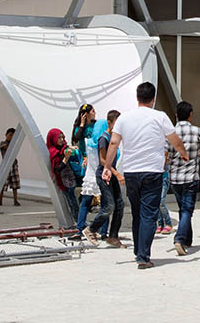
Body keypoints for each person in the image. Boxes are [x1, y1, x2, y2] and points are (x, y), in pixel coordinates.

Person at [103, 82, 188, 269]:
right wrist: (183, 153)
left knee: (137, 213)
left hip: (131, 172)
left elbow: (114, 143)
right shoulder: (160, 117)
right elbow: (174, 140)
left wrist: (107, 167)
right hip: (152, 172)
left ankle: (139, 251)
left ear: (137, 97)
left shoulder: (124, 118)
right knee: (148, 214)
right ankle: (143, 256)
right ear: (153, 98)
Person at [168, 100, 200, 256]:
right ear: (190, 115)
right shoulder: (197, 131)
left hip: (175, 178)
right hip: (191, 177)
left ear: (176, 115)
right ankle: (179, 239)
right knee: (187, 210)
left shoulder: (170, 133)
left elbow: (166, 154)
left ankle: (187, 239)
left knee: (183, 209)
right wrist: (197, 154)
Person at [92, 110, 126, 247]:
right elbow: (102, 160)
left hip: (111, 176)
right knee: (109, 206)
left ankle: (113, 236)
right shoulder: (104, 139)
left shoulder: (114, 138)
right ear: (109, 123)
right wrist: (117, 174)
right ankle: (91, 229)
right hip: (103, 175)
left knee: (120, 205)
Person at [77, 114, 108, 245]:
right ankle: (104, 232)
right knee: (106, 205)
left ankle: (80, 228)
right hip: (101, 175)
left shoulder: (88, 142)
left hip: (90, 176)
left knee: (85, 204)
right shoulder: (105, 142)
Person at [46, 129, 79, 223]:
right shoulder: (53, 152)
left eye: (62, 137)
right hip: (65, 182)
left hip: (72, 178)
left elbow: (68, 148)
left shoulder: (64, 148)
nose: (61, 140)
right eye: (59, 138)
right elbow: (57, 169)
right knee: (72, 203)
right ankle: (77, 222)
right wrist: (66, 158)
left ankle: (78, 221)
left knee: (75, 202)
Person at [70, 103, 95, 187]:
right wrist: (82, 124)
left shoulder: (95, 125)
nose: (95, 113)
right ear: (86, 114)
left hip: (94, 156)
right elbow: (76, 137)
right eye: (93, 111)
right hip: (84, 157)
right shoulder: (79, 127)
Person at [0, 128, 21, 207]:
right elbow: (8, 148)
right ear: (6, 135)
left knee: (15, 185)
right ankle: (0, 200)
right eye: (10, 135)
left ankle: (15, 201)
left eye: (13, 136)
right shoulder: (3, 143)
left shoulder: (14, 144)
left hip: (13, 165)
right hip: (6, 166)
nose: (11, 137)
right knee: (2, 184)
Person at [156, 160, 174, 236]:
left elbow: (167, 161)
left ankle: (168, 224)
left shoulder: (164, 153)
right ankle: (160, 224)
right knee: (156, 202)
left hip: (164, 178)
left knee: (161, 201)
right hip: (155, 179)